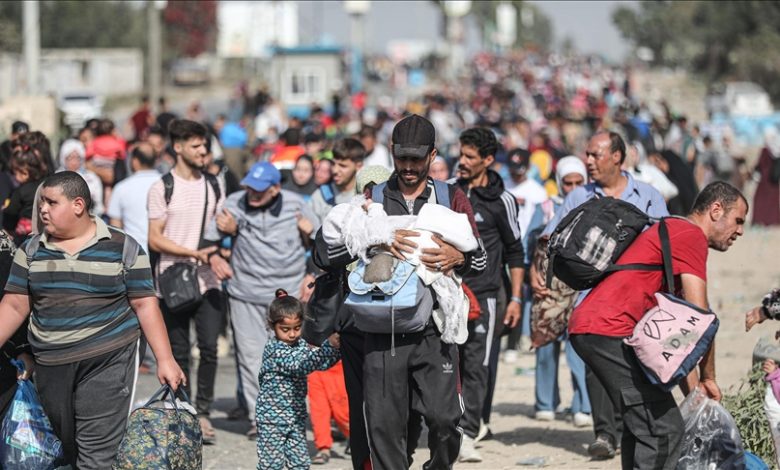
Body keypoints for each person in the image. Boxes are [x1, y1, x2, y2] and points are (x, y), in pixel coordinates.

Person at [314, 114, 486, 469]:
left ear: (433, 155)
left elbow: (481, 259)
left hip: (434, 330)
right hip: (380, 331)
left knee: (444, 420)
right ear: (391, 151)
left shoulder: (450, 197)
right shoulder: (371, 197)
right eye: (401, 157)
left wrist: (459, 257)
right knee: (383, 426)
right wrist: (374, 237)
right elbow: (325, 252)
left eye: (416, 159)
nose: (408, 166)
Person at [0, 171, 185, 468]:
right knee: (65, 445)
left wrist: (165, 359)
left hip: (108, 359)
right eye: (41, 202)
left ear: (78, 205)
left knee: (96, 453)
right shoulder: (31, 250)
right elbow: (13, 306)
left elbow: (145, 304)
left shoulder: (123, 247)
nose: (42, 209)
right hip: (51, 364)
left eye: (51, 202)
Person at [569, 181, 748, 469]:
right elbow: (701, 318)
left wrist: (695, 394)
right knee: (665, 429)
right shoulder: (690, 235)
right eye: (738, 220)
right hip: (608, 329)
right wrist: (709, 378)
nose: (740, 231)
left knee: (643, 425)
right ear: (716, 210)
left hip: (598, 329)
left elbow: (681, 339)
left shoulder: (672, 230)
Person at [533, 131, 669, 460]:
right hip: (592, 299)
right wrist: (542, 267)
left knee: (639, 364)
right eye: (588, 155)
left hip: (638, 300)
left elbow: (666, 241)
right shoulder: (579, 195)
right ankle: (605, 433)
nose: (589, 161)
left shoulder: (648, 195)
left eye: (596, 155)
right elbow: (552, 237)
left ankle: (635, 429)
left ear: (617, 157)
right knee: (597, 366)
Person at [205, 161, 316, 438]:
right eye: (250, 188)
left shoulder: (296, 204)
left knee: (289, 358)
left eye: (260, 189)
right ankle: (261, 419)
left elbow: (321, 244)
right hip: (245, 292)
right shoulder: (234, 203)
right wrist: (220, 246)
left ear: (275, 188)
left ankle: (290, 416)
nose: (253, 194)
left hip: (286, 294)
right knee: (251, 357)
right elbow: (207, 240)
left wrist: (311, 270)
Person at [147, 119, 225, 445]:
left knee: (209, 348)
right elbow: (154, 238)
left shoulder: (215, 184)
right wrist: (193, 253)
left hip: (208, 280)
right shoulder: (162, 187)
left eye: (204, 145)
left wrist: (226, 238)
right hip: (172, 280)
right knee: (179, 352)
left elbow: (219, 229)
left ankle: (203, 412)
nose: (202, 151)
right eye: (195, 146)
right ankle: (186, 411)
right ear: (178, 148)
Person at [453, 128, 524, 462]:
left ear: (488, 160)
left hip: (487, 296)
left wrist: (516, 299)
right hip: (450, 293)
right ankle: (449, 426)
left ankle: (468, 432)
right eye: (461, 154)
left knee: (477, 365)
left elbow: (516, 252)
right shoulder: (449, 192)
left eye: (470, 156)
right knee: (448, 364)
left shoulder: (502, 200)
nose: (462, 161)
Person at [524, 156, 591, 427]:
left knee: (579, 349)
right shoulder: (547, 207)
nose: (573, 188)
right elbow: (530, 242)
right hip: (549, 289)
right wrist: (532, 276)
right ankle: (545, 402)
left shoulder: (593, 206)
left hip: (580, 287)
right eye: (568, 182)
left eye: (578, 182)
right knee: (545, 345)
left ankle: (583, 405)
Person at [255, 289, 341, 470]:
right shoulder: (275, 349)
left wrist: (336, 351)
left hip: (295, 416)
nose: (292, 334)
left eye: (297, 328)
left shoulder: (300, 344)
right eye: (285, 329)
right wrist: (328, 345)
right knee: (271, 465)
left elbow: (318, 364)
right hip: (271, 420)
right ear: (272, 325)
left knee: (300, 462)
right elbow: (300, 365)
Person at [107, 142, 160, 254]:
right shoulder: (168, 184)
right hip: (163, 252)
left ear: (135, 161)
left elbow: (115, 229)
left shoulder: (121, 188)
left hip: (133, 255)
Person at [308, 138, 365, 230]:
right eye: (333, 164)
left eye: (343, 166)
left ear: (358, 166)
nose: (335, 170)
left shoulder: (366, 197)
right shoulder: (320, 196)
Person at [4, 146, 48, 245]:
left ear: (25, 173)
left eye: (16, 172)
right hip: (45, 233)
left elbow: (10, 213)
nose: (15, 176)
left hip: (24, 237)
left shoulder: (20, 192)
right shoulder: (48, 185)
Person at [58, 139, 104, 218]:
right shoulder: (56, 177)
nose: (74, 162)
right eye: (70, 157)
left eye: (77, 158)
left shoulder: (91, 178)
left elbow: (98, 205)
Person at [751, 127, 780, 226]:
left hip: (765, 180)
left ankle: (761, 220)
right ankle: (772, 220)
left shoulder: (765, 150)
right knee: (772, 200)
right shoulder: (777, 150)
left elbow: (760, 164)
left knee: (760, 199)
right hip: (774, 181)